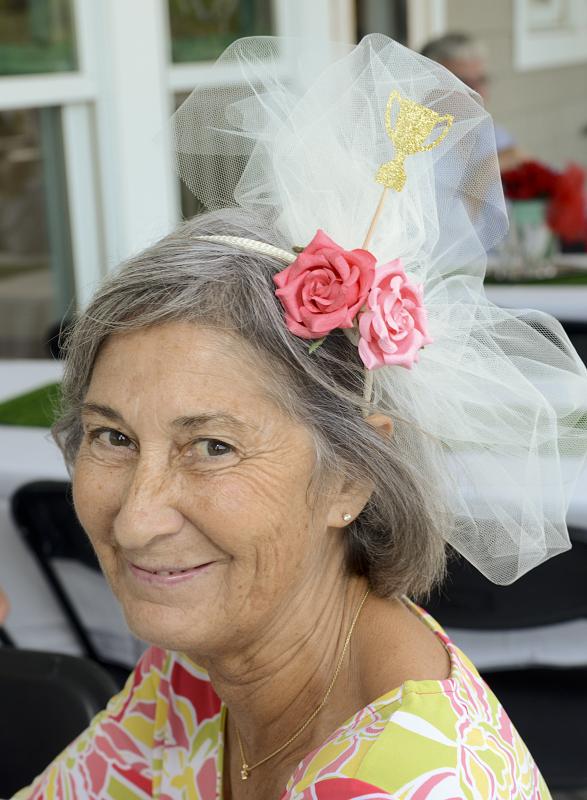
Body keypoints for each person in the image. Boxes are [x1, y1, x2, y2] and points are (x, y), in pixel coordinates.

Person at [14, 34, 587, 799]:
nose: (136, 520)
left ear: (349, 474)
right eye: (112, 436)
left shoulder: (411, 783)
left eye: (211, 446)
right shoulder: (203, 663)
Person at [421, 32, 528, 170]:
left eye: (481, 80)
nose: (477, 93)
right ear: (430, 88)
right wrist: (489, 167)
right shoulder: (416, 145)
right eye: (463, 83)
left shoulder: (490, 131)